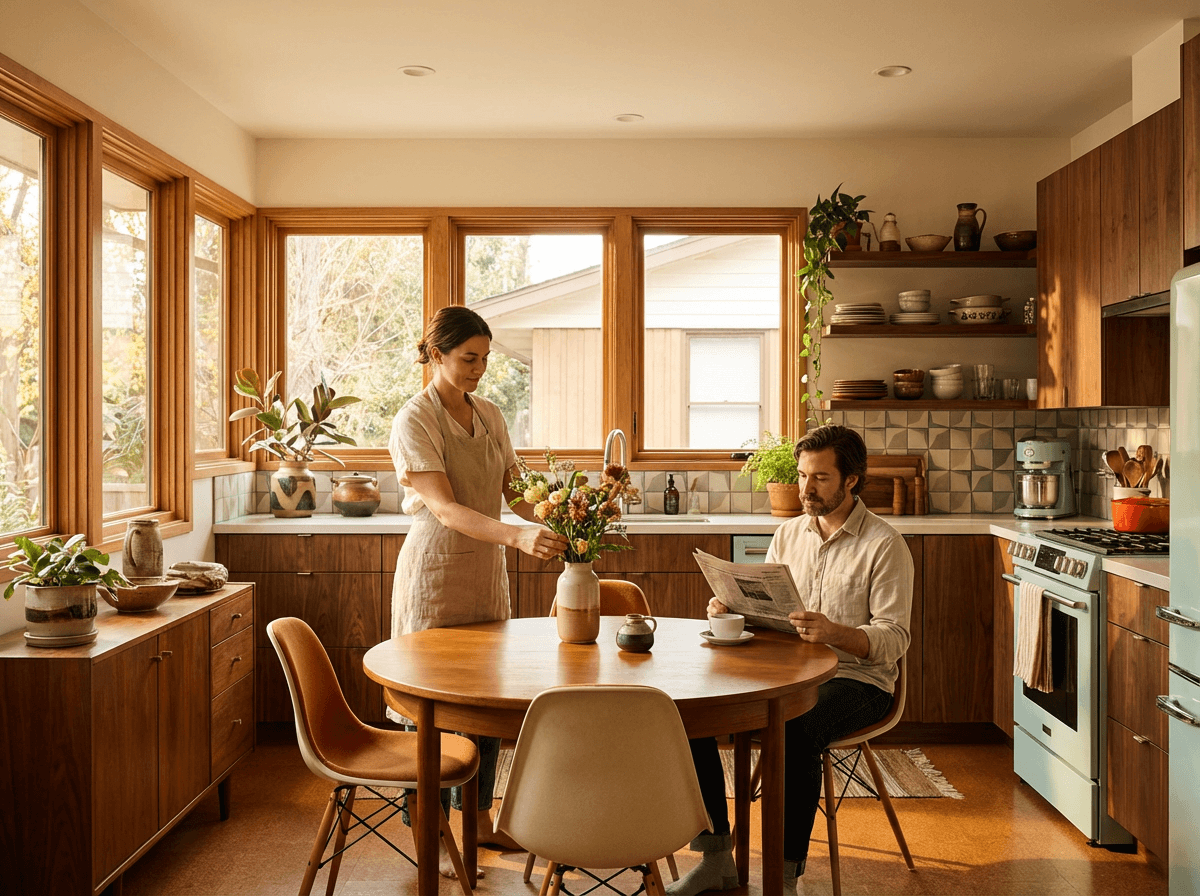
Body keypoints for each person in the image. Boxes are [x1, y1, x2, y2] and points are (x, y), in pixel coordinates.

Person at [668, 425, 913, 895]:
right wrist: (731, 607)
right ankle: (717, 856)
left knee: (795, 728)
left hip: (860, 682)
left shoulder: (884, 544)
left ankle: (782, 879)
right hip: (788, 675)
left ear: (852, 481)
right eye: (802, 476)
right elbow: (772, 617)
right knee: (689, 711)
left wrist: (837, 633)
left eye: (820, 478)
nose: (805, 488)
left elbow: (894, 638)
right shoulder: (788, 533)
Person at [387, 305, 568, 876]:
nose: (479, 370)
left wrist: (561, 514)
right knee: (435, 710)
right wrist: (517, 536)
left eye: (486, 359)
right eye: (468, 358)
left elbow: (515, 493)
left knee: (487, 701)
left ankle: (481, 819)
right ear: (436, 354)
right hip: (436, 573)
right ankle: (432, 833)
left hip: (487, 571)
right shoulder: (415, 419)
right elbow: (444, 507)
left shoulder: (489, 414)